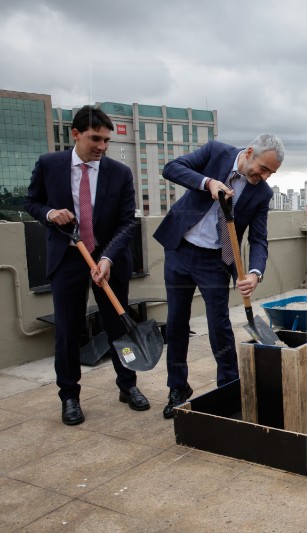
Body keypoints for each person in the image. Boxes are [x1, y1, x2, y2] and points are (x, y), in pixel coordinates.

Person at [25, 105, 147, 425]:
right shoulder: (49, 165)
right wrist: (50, 214)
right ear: (75, 134)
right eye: (96, 139)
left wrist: (107, 258)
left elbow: (127, 223)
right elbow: (31, 202)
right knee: (67, 332)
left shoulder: (120, 173)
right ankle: (69, 396)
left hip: (109, 261)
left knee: (119, 327)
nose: (102, 147)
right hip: (67, 260)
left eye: (106, 140)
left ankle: (128, 386)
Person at [154, 134, 284, 418]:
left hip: (214, 259)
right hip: (180, 248)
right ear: (249, 152)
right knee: (176, 322)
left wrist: (254, 272)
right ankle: (177, 387)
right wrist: (208, 182)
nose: (264, 177)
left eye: (270, 174)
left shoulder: (262, 193)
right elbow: (171, 167)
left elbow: (259, 239)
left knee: (219, 326)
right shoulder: (215, 153)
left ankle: (229, 385)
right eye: (263, 169)